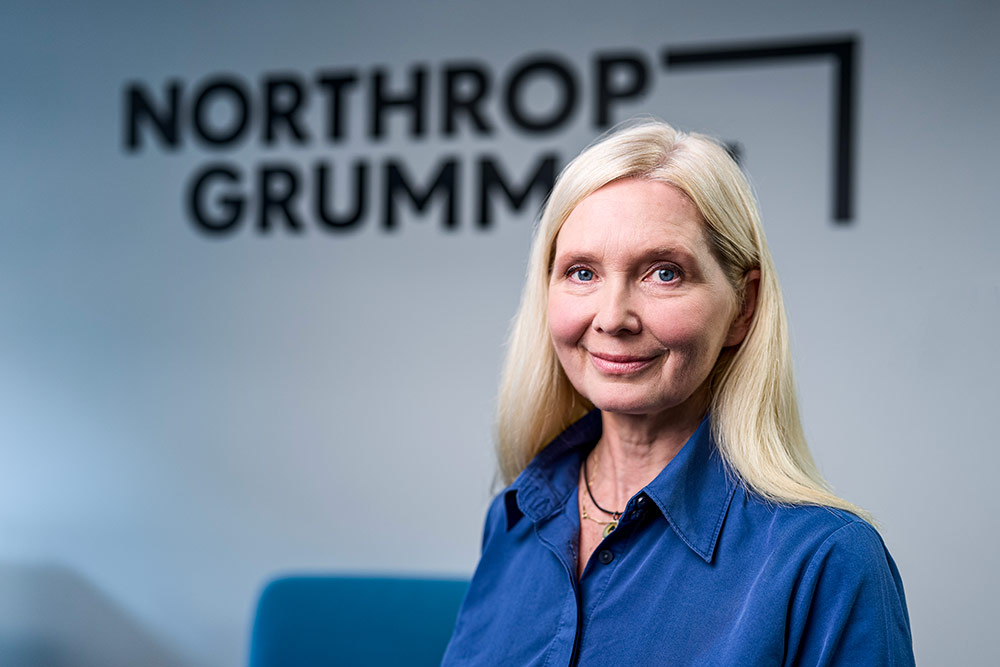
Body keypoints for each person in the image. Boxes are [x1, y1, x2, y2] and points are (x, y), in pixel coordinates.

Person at [441, 120, 914, 666]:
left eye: (664, 273)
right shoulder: (515, 522)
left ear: (743, 306)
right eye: (581, 272)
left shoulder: (827, 560)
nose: (613, 317)